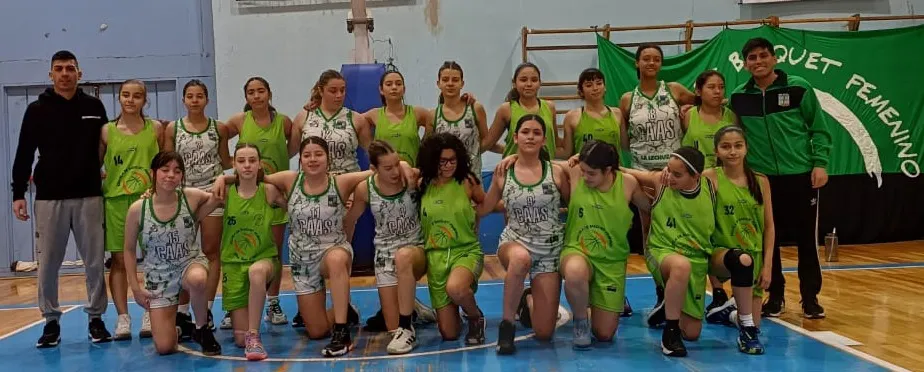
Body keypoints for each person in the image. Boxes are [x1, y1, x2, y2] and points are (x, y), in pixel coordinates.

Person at [11, 50, 113, 348]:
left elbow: (106, 145)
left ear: (79, 73)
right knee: (48, 264)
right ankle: (51, 322)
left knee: (94, 262)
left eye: (70, 68)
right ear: (51, 75)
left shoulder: (94, 106)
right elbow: (24, 153)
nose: (65, 74)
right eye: (59, 69)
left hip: (89, 196)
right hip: (50, 198)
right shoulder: (36, 110)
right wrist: (18, 193)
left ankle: (96, 319)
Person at [730, 37, 831, 319]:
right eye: (752, 57)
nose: (758, 61)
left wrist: (820, 163)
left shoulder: (798, 88)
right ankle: (775, 296)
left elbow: (818, 128)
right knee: (766, 240)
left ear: (774, 59)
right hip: (761, 179)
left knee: (806, 239)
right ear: (745, 63)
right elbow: (733, 135)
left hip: (800, 175)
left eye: (763, 55)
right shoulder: (739, 96)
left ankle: (810, 298)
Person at [478, 115, 569, 355]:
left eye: (536, 133)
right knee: (520, 260)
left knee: (544, 333)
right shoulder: (503, 172)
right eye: (525, 132)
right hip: (514, 242)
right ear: (515, 138)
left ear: (544, 140)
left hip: (549, 250)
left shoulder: (557, 173)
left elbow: (578, 202)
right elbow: (485, 208)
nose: (530, 136)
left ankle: (527, 299)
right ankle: (506, 327)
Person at [122, 151, 223, 356]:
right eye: (165, 170)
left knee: (198, 279)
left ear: (182, 176)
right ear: (153, 173)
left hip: (189, 264)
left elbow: (218, 197)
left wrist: (222, 177)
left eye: (177, 171)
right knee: (165, 347)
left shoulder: (190, 197)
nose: (171, 175)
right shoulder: (138, 209)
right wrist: (135, 287)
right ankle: (181, 326)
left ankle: (202, 329)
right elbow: (129, 249)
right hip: (159, 276)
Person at [621, 147, 715, 357]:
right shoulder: (659, 181)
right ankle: (670, 333)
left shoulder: (710, 186)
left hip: (697, 258)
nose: (669, 176)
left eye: (677, 174)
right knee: (680, 266)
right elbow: (623, 171)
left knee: (692, 333)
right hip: (662, 251)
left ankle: (670, 304)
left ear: (696, 176)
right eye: (668, 169)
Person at [560, 141, 650, 348]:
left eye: (591, 173)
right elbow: (539, 162)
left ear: (608, 170)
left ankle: (592, 300)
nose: (585, 176)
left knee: (604, 334)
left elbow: (651, 205)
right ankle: (581, 321)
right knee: (575, 271)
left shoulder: (628, 183)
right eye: (583, 171)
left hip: (612, 262)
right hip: (577, 251)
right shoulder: (575, 171)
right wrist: (511, 157)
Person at [223, 77, 294, 328]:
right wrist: (228, 170)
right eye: (251, 92)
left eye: (261, 91)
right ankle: (236, 304)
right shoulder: (239, 121)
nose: (256, 96)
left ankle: (272, 302)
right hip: (246, 194)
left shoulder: (283, 122)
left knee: (272, 251)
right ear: (246, 97)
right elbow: (220, 136)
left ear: (269, 93)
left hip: (270, 194)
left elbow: (292, 148)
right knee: (240, 247)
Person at [163, 79, 232, 330]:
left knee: (212, 251)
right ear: (183, 100)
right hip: (183, 196)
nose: (194, 100)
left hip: (214, 194)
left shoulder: (219, 128)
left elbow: (224, 160)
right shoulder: (174, 128)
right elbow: (168, 162)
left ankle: (208, 308)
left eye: (199, 96)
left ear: (206, 100)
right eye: (190, 96)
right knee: (183, 254)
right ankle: (182, 311)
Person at [348, 140, 429, 354]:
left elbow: (434, 169)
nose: (394, 171)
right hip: (384, 254)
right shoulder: (365, 189)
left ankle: (408, 327)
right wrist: (344, 247)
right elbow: (351, 220)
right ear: (373, 169)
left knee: (404, 256)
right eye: (387, 168)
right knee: (392, 328)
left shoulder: (409, 176)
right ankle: (413, 307)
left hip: (415, 250)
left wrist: (405, 166)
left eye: (396, 164)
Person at [99, 79, 164, 341]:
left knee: (153, 259)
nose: (130, 100)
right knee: (118, 261)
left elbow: (165, 163)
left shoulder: (156, 129)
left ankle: (150, 311)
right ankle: (123, 317)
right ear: (119, 98)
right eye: (126, 95)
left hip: (148, 201)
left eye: (137, 96)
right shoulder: (106, 131)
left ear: (144, 100)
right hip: (116, 201)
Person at [699, 125, 773, 354]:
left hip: (754, 254)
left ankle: (727, 312)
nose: (733, 152)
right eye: (726, 146)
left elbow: (769, 227)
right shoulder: (709, 177)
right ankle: (739, 323)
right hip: (721, 253)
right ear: (716, 151)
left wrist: (768, 266)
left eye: (738, 146)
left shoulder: (760, 181)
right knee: (741, 260)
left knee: (752, 322)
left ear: (746, 148)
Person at [213, 143, 287, 361]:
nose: (247, 165)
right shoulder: (225, 193)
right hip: (233, 264)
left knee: (256, 272)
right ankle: (247, 333)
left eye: (252, 160)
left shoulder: (269, 191)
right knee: (238, 339)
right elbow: (193, 206)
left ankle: (254, 336)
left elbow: (297, 205)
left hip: (263, 260)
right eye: (241, 161)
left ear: (259, 164)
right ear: (234, 164)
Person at [415, 133, 487, 345]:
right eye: (442, 161)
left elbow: (487, 203)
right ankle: (457, 310)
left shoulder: (467, 181)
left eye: (452, 160)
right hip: (435, 258)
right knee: (449, 333)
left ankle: (475, 317)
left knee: (456, 287)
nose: (448, 165)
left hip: (465, 251)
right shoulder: (421, 184)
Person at [680, 70, 739, 314]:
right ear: (699, 91)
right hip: (697, 185)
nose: (717, 91)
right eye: (711, 87)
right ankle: (716, 291)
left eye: (721, 87)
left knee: (728, 235)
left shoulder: (731, 115)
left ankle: (737, 290)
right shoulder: (687, 115)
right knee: (704, 238)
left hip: (726, 182)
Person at [619, 44, 696, 171]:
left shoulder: (674, 89)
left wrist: (689, 107)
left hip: (674, 170)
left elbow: (705, 102)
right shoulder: (627, 99)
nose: (651, 63)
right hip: (640, 171)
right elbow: (623, 138)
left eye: (656, 59)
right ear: (637, 63)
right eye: (646, 59)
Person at [293, 69, 373, 176]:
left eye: (342, 90)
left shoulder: (356, 119)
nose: (339, 95)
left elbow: (372, 152)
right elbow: (289, 151)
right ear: (321, 91)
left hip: (347, 181)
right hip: (313, 181)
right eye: (333, 91)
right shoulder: (305, 116)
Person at [483, 62, 561, 159]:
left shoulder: (550, 107)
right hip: (515, 169)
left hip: (545, 169)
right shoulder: (506, 109)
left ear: (540, 83)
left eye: (534, 80)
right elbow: (487, 144)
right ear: (514, 83)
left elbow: (555, 142)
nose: (529, 84)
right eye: (523, 80)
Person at [429, 61, 489, 180]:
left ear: (462, 83)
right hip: (445, 182)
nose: (450, 84)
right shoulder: (433, 115)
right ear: (438, 83)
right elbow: (428, 149)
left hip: (472, 180)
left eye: (455, 80)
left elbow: (487, 141)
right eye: (445, 79)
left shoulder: (475, 108)